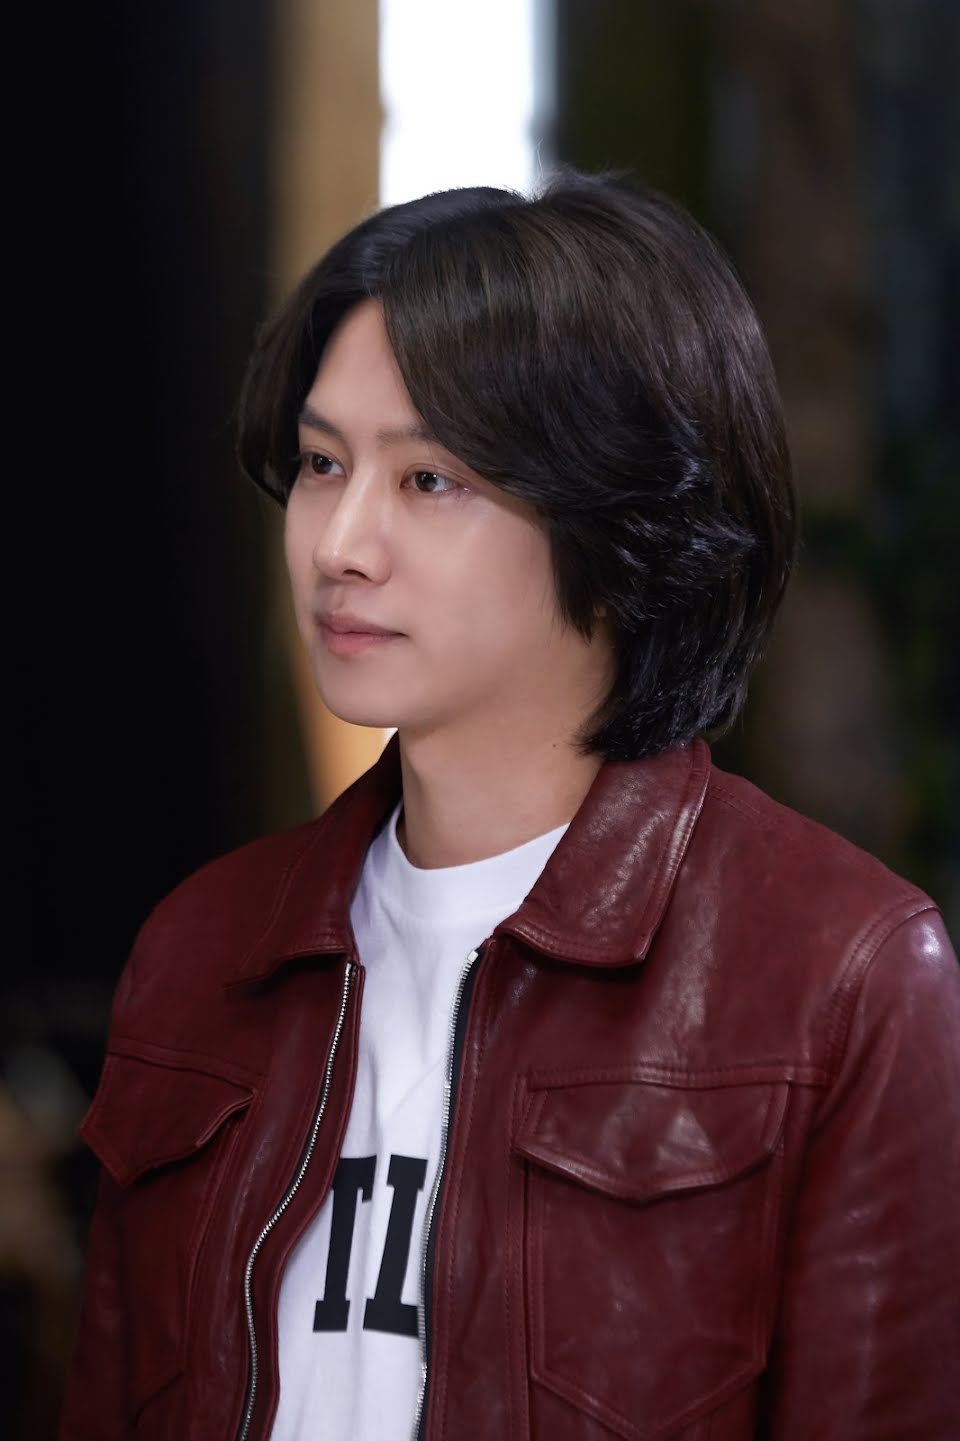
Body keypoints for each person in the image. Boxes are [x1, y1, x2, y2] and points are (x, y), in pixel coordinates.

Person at [59, 170, 960, 1441]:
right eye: (322, 463)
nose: (339, 544)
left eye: (429, 480)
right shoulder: (200, 954)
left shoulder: (841, 976)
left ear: (620, 520)